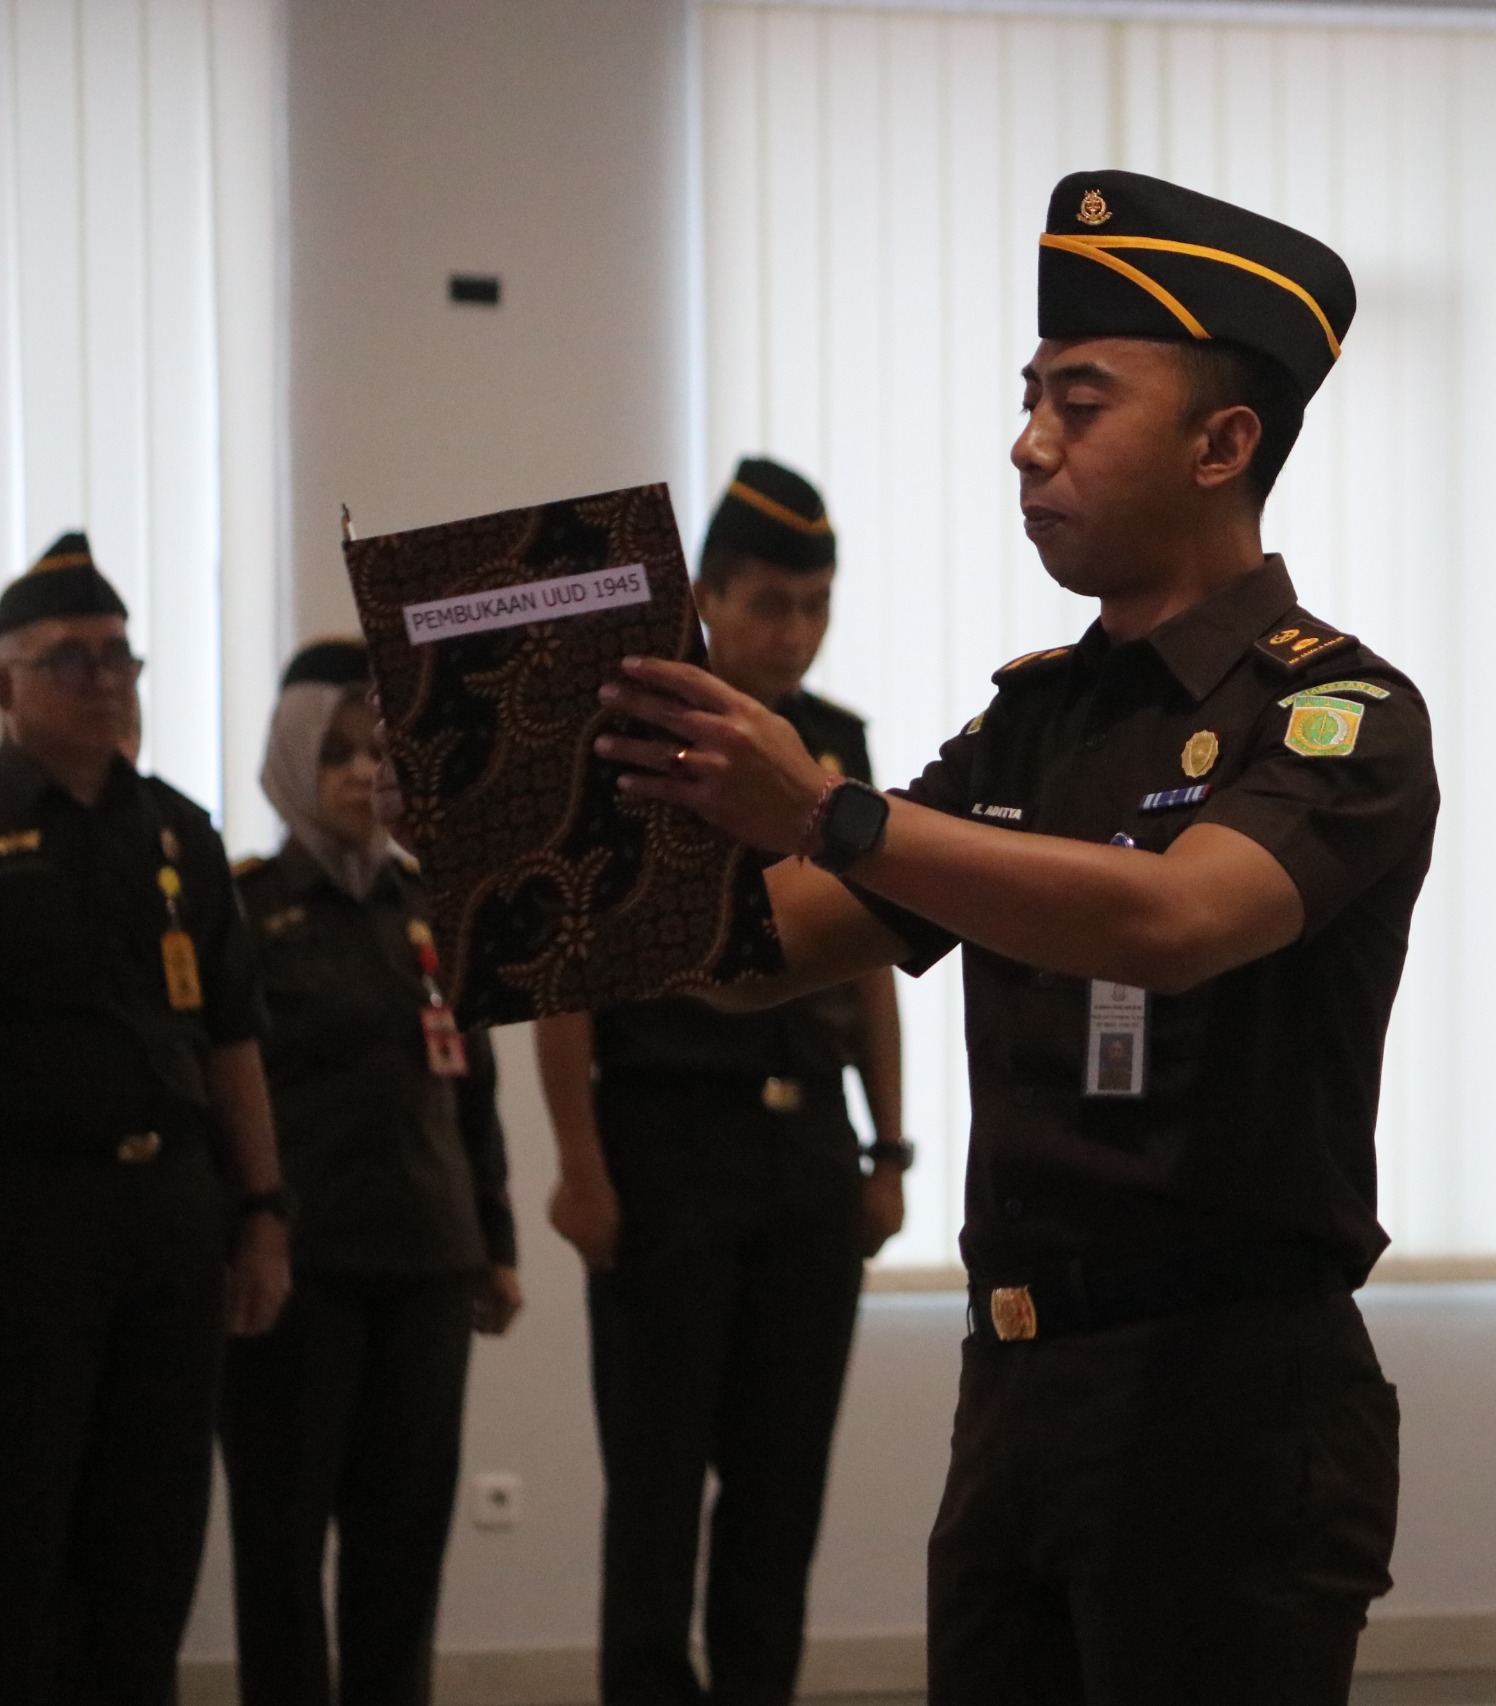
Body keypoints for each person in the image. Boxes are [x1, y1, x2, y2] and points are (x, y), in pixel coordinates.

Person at [578, 171, 1432, 1706]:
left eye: (1079, 403)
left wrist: (825, 807)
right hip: (1020, 1393)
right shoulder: (1034, 723)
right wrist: (542, 820)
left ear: (1224, 443)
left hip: (1226, 1399)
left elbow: (1174, 919)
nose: (1029, 443)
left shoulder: (1336, 713)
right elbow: (760, 949)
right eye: (1030, 399)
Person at [530, 458, 908, 1706]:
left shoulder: (834, 745)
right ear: (709, 597)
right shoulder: (630, 736)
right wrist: (580, 1166)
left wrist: (889, 1149)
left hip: (809, 1155)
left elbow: (874, 959)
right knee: (655, 1485)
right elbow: (567, 968)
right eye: (772, 604)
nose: (795, 633)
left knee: (781, 1486)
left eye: (817, 605)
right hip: (666, 1147)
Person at [0, 532, 292, 1704]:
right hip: (29, 1217)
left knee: (153, 1531)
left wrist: (262, 1210)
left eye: (120, 655)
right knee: (24, 1529)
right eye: (71, 658)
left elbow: (231, 1037)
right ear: (8, 680)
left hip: (170, 1214)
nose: (105, 679)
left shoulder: (178, 831)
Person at [222, 638, 522, 1706]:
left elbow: (472, 1086)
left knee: (403, 1548)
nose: (362, 774)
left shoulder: (430, 903)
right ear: (292, 759)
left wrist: (496, 1242)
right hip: (297, 1276)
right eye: (338, 752)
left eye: (380, 753)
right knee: (282, 1545)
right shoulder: (245, 910)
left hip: (428, 1265)